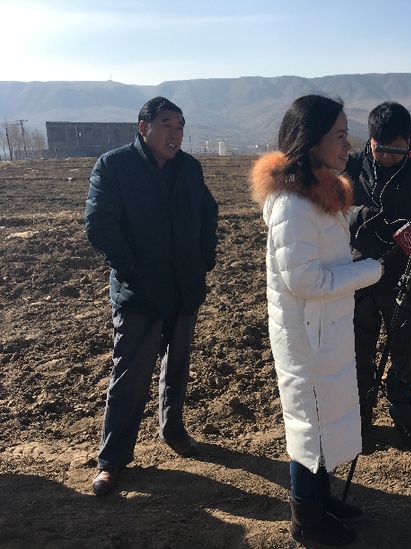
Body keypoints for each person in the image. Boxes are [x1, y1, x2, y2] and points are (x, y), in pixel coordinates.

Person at [250, 94, 382, 547]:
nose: (349, 145)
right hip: (307, 335)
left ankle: (320, 499)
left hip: (323, 328)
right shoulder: (293, 205)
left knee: (322, 418)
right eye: (340, 136)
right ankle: (306, 517)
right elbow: (305, 280)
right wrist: (369, 271)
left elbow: (323, 263)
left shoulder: (318, 195)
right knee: (308, 423)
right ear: (311, 143)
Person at [85, 96, 219, 496]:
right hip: (140, 291)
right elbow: (99, 223)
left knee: (177, 368)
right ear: (143, 127)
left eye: (179, 127)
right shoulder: (114, 166)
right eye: (166, 125)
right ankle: (112, 461)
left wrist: (203, 259)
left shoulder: (189, 168)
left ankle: (173, 430)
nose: (174, 134)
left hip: (183, 287)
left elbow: (208, 212)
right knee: (129, 377)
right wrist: (130, 268)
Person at [346, 101, 411, 452]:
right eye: (381, 149)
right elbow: (330, 211)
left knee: (405, 357)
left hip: (406, 280)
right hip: (358, 278)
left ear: (409, 140)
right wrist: (363, 217)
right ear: (370, 140)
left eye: (396, 149)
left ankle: (405, 420)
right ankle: (360, 420)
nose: (387, 157)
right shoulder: (351, 165)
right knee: (357, 356)